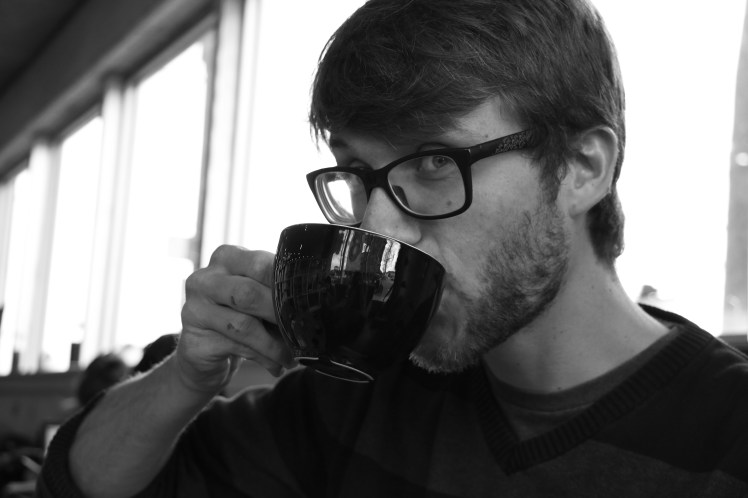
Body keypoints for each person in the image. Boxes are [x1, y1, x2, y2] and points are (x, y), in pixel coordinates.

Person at [38, 0, 748, 496]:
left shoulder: (728, 440)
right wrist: (186, 377)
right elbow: (85, 483)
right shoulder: (358, 403)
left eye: (435, 162)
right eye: (357, 173)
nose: (376, 229)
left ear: (582, 168)